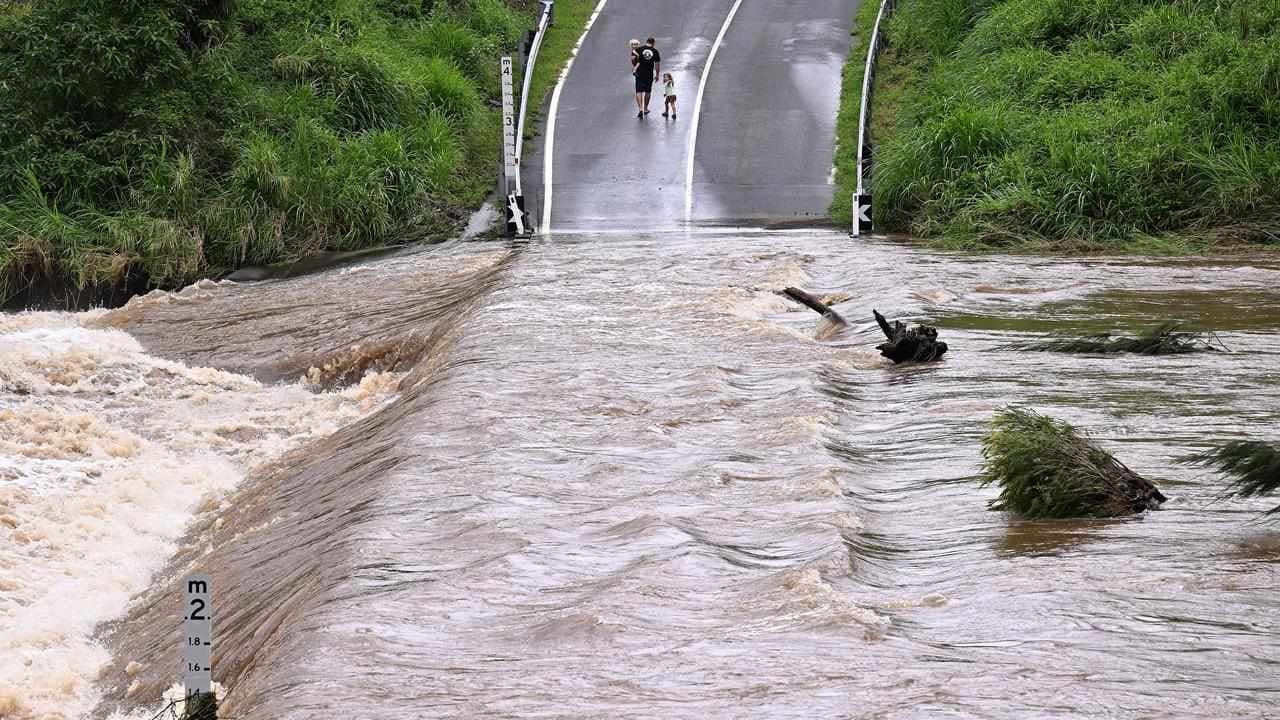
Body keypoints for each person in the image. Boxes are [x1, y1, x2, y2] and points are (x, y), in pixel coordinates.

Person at [633, 37, 661, 118]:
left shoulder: (639, 49)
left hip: (639, 73)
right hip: (649, 74)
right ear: (653, 43)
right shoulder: (655, 51)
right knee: (648, 91)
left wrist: (635, 67)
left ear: (646, 42)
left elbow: (633, 58)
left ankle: (640, 109)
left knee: (639, 91)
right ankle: (645, 108)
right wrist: (657, 74)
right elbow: (657, 64)